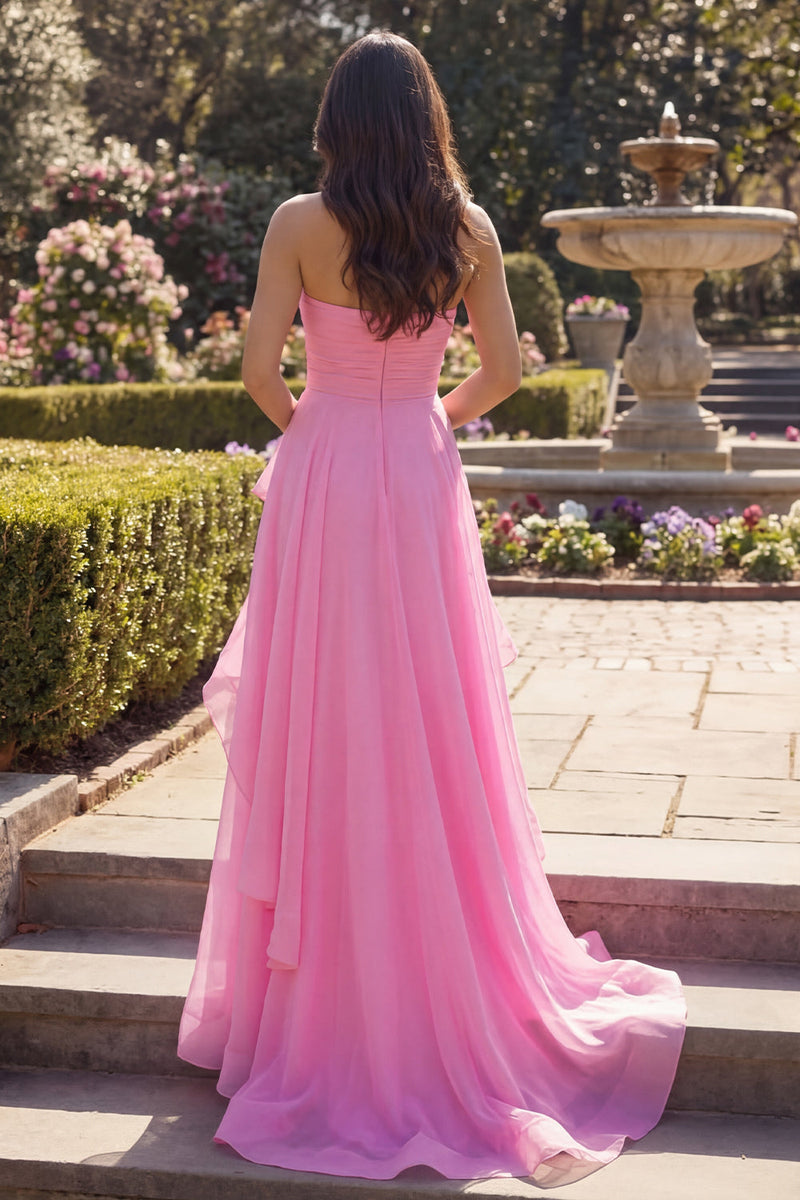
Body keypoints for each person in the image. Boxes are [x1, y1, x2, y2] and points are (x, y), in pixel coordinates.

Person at [177, 30, 686, 1186]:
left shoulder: (298, 223)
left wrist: (316, 421)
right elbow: (506, 367)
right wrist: (426, 417)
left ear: (336, 117)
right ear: (426, 117)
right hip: (413, 468)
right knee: (429, 710)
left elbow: (257, 369)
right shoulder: (466, 227)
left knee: (321, 707)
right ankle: (439, 956)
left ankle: (308, 996)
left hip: (323, 473)